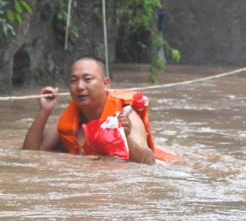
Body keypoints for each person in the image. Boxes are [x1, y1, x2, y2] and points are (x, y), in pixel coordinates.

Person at [22, 56, 156, 165]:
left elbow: (148, 161)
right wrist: (44, 111)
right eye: (73, 81)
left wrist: (125, 137)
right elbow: (31, 152)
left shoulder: (125, 116)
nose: (79, 86)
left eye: (87, 79)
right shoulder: (71, 117)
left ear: (106, 83)